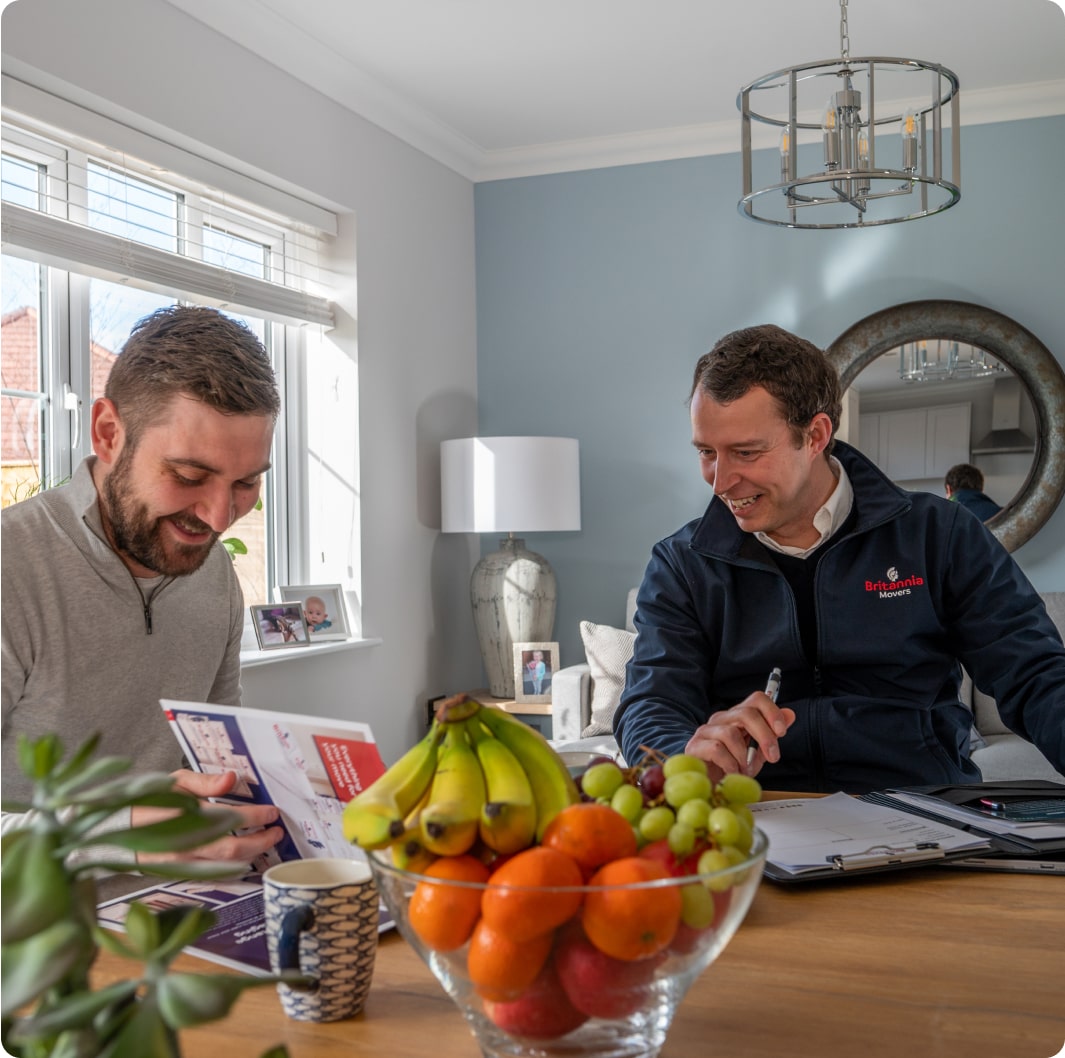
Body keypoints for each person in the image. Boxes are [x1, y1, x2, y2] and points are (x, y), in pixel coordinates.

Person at [614, 324, 1065, 794]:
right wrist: (682, 757)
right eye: (707, 452)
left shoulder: (939, 535)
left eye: (746, 453)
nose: (720, 481)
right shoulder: (681, 564)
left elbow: (1036, 675)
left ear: (815, 435)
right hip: (754, 815)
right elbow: (651, 703)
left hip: (925, 810)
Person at [1, 306, 286, 891]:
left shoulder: (215, 579)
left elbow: (215, 771)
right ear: (108, 433)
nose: (217, 517)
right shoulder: (12, 569)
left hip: (182, 916)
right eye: (187, 475)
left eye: (246, 483)